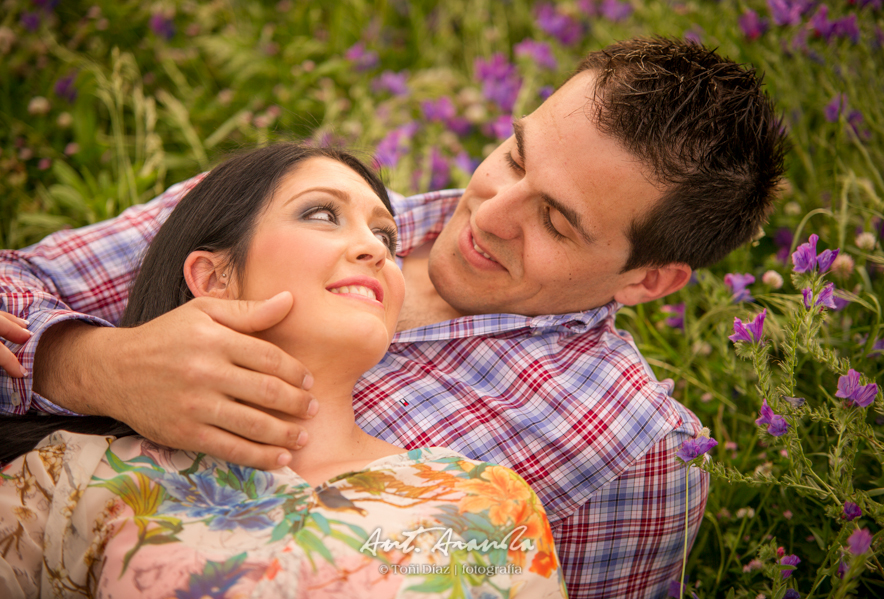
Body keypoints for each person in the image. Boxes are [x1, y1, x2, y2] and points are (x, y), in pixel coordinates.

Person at [0, 37, 786, 598]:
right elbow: (17, 282)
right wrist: (93, 365)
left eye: (556, 220)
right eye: (514, 156)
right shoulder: (291, 206)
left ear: (650, 279)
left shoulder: (634, 455)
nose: (489, 210)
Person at [0, 143, 567, 599]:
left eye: (385, 237)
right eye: (323, 214)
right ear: (214, 278)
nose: (373, 249)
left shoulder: (486, 501)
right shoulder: (79, 475)